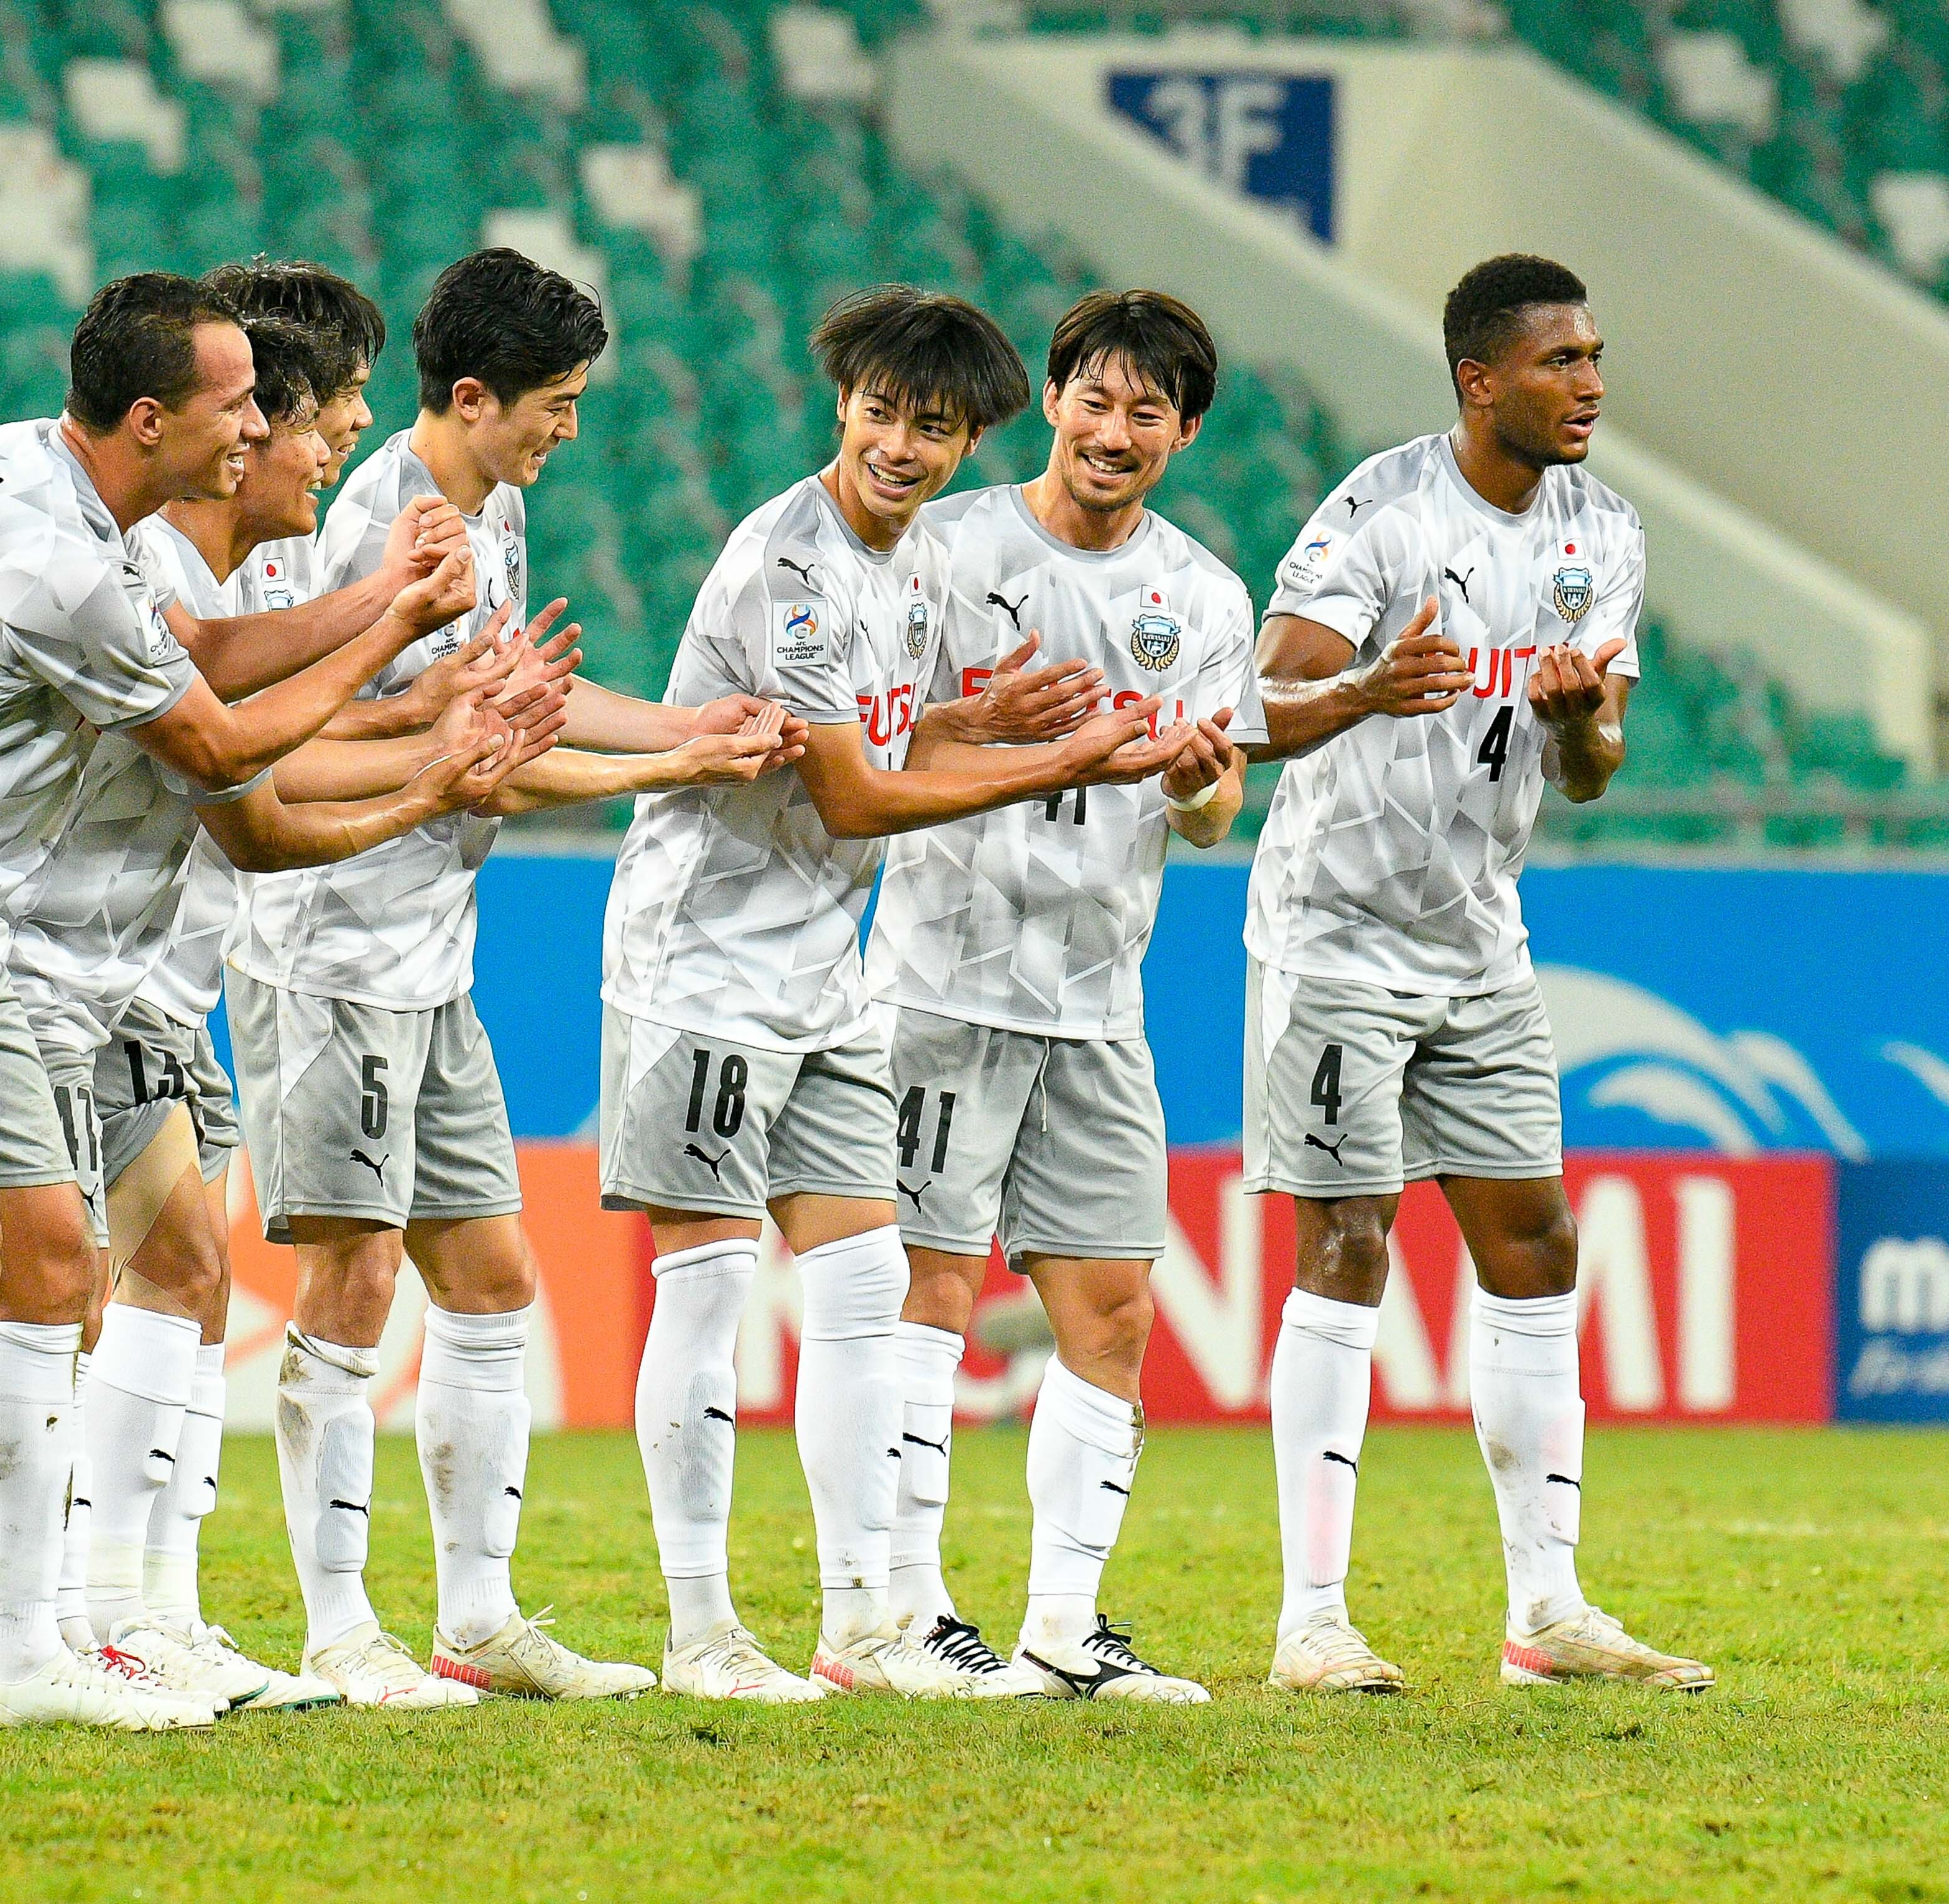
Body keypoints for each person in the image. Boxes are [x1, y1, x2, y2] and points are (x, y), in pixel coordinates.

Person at [0, 273, 454, 1734]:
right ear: (149, 421)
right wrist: (395, 636)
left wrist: (376, 602)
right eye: (238, 401)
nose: (261, 424)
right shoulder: (51, 556)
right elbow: (217, 740)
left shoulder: (46, 476)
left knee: (56, 1263)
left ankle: (18, 1653)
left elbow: (190, 658)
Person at [601, 284, 1198, 1703]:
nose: (904, 447)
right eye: (884, 414)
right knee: (704, 1291)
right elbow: (859, 797)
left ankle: (864, 1623)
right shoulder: (790, 564)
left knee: (869, 1285)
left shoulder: (915, 565)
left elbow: (876, 733)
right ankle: (700, 1633)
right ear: (842, 407)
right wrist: (1057, 764)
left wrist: (965, 719)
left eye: (935, 427)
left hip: (818, 975)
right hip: (703, 970)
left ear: (970, 433)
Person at [231, 247, 802, 1708]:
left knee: (490, 1281)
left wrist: (685, 722)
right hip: (333, 950)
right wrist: (667, 761)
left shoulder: (496, 509)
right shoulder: (370, 527)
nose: (568, 431)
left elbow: (521, 707)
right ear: (471, 396)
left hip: (433, 958)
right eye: (552, 404)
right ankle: (339, 1628)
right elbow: (444, 752)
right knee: (352, 1278)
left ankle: (476, 1620)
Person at [1, 271, 558, 1716]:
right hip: (110, 971)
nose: (342, 434)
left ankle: (138, 1615)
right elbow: (246, 779)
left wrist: (451, 725)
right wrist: (423, 716)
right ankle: (49, 1625)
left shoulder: (241, 560)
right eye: (321, 409)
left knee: (177, 1277)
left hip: (163, 976)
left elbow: (272, 748)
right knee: (61, 1292)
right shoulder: (168, 572)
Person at [1245, 253, 1710, 1694]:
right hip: (1335, 932)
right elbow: (1258, 700)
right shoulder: (1380, 517)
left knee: (1536, 1244)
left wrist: (1579, 725)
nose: (1589, 384)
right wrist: (1366, 688)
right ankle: (1312, 1618)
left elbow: (1592, 772)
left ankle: (1547, 1614)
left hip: (1481, 938)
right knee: (1348, 1247)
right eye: (1560, 361)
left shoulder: (1605, 532)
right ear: (1478, 379)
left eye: (1593, 356)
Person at [865, 290, 1261, 1703]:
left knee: (1113, 1309)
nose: (1113, 431)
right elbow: (873, 742)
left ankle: (1063, 1624)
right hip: (940, 983)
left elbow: (1214, 814)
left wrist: (1199, 782)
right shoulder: (951, 547)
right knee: (927, 1290)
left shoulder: (1207, 598)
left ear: (1183, 433)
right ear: (1051, 402)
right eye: (1094, 401)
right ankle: (903, 1615)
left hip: (1099, 1001)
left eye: (1145, 412)